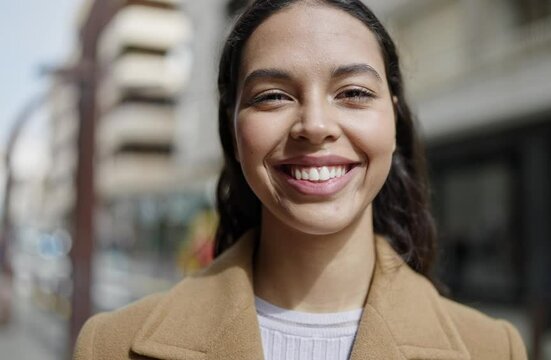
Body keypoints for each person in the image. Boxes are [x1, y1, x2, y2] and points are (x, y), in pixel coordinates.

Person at [73, 1, 528, 359]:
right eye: (272, 96)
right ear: (233, 130)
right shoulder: (111, 346)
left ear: (394, 118)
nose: (314, 125)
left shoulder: (491, 349)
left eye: (353, 93)